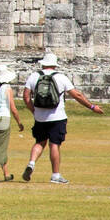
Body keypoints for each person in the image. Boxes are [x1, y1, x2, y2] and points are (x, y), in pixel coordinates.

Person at [22, 52, 104, 184]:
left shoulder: (34, 76)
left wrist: (34, 111)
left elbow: (26, 97)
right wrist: (92, 107)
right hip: (57, 116)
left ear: (43, 64)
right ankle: (55, 175)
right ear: (55, 65)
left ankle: (31, 163)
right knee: (54, 145)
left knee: (39, 142)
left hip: (39, 117)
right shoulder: (61, 77)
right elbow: (77, 95)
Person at [0, 62, 26, 182]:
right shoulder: (7, 88)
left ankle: (6, 173)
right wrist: (19, 122)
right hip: (3, 118)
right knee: (0, 147)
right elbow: (13, 108)